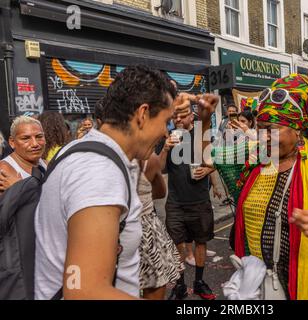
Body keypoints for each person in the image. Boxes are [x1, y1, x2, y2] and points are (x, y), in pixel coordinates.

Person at [33, 65, 192, 299]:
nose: (166, 133)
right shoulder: (98, 173)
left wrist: (170, 102)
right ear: (143, 114)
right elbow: (84, 291)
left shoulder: (89, 150)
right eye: (166, 122)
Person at [206, 74, 308, 300]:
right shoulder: (255, 159)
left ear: (297, 129)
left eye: (273, 129)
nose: (264, 136)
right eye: (261, 128)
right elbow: (209, 157)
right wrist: (204, 118)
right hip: (261, 286)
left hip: (306, 284)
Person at [158, 108, 218, 301]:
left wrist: (208, 171)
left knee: (201, 241)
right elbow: (159, 169)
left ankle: (199, 282)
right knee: (178, 244)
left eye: (182, 115)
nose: (177, 119)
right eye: (174, 116)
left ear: (192, 116)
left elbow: (215, 161)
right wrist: (166, 148)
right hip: (175, 202)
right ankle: (180, 284)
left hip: (199, 200)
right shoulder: (167, 138)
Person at [135, 153, 184, 300]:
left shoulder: (95, 157)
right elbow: (160, 192)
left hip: (111, 231)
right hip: (145, 231)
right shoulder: (149, 159)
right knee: (154, 287)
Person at [0, 116, 46, 192]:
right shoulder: (4, 170)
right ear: (12, 142)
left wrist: (20, 188)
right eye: (26, 138)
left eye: (39, 137)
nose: (35, 144)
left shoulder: (46, 164)